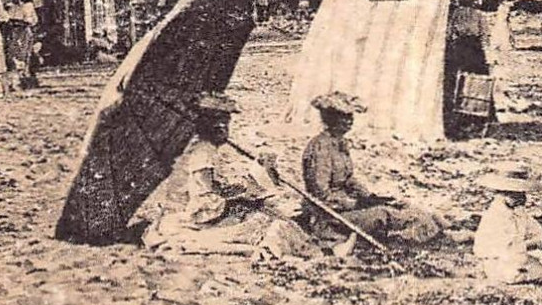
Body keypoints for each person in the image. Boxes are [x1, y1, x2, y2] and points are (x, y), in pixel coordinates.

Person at [139, 93, 314, 258]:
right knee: (262, 220)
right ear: (211, 127)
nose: (225, 130)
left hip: (212, 205)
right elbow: (206, 195)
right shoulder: (203, 152)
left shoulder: (208, 149)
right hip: (204, 211)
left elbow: (217, 184)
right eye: (222, 125)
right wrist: (241, 193)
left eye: (227, 124)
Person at [301, 92, 442, 249]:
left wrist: (370, 196)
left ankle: (442, 228)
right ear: (330, 119)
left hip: (346, 206)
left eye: (351, 116)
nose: (350, 121)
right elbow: (321, 195)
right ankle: (422, 239)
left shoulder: (340, 143)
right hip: (330, 217)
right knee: (384, 214)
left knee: (401, 205)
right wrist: (357, 204)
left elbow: (348, 179)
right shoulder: (320, 148)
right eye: (344, 117)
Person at [474, 166, 542, 290]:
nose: (523, 198)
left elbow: (536, 231)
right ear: (504, 194)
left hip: (517, 256)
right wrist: (536, 243)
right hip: (498, 264)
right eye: (518, 194)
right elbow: (507, 251)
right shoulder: (495, 217)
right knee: (531, 265)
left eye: (523, 193)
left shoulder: (518, 212)